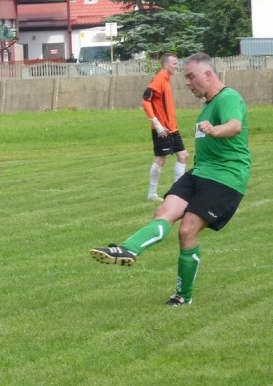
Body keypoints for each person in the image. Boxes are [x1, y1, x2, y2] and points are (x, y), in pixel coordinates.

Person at [90, 52, 250, 306]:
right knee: (164, 211)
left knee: (187, 230)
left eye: (191, 77)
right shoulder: (208, 104)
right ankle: (128, 248)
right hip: (200, 172)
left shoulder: (228, 97)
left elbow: (235, 125)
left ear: (208, 74)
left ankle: (183, 296)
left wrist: (215, 130)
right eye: (185, 77)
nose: (187, 82)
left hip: (226, 176)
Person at [143, 53, 188, 202]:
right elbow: (145, 101)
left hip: (173, 129)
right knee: (160, 159)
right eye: (174, 64)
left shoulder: (167, 79)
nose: (177, 66)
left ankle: (177, 192)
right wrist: (157, 125)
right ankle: (151, 194)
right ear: (166, 65)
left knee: (183, 156)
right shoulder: (159, 79)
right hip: (162, 130)